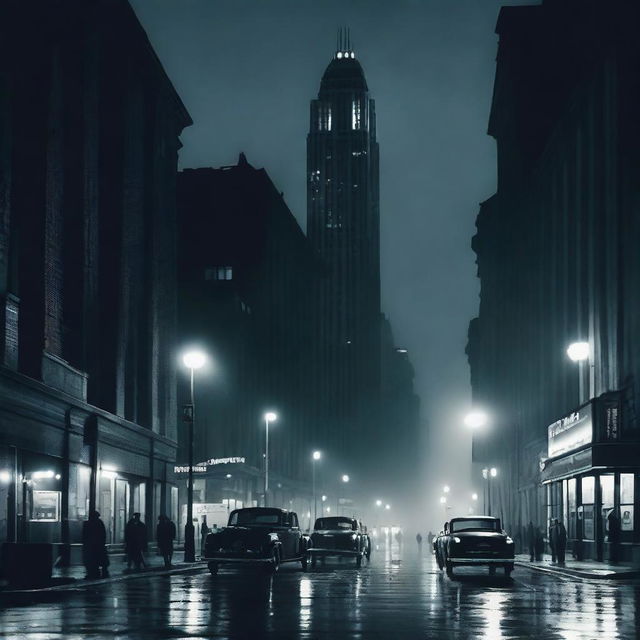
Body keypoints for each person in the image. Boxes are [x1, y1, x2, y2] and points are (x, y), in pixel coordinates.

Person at [82, 510, 108, 579]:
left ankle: (92, 572)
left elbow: (84, 535)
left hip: (91, 545)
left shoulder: (87, 523)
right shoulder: (99, 523)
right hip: (97, 545)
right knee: (99, 559)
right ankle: (98, 572)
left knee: (92, 560)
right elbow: (103, 534)